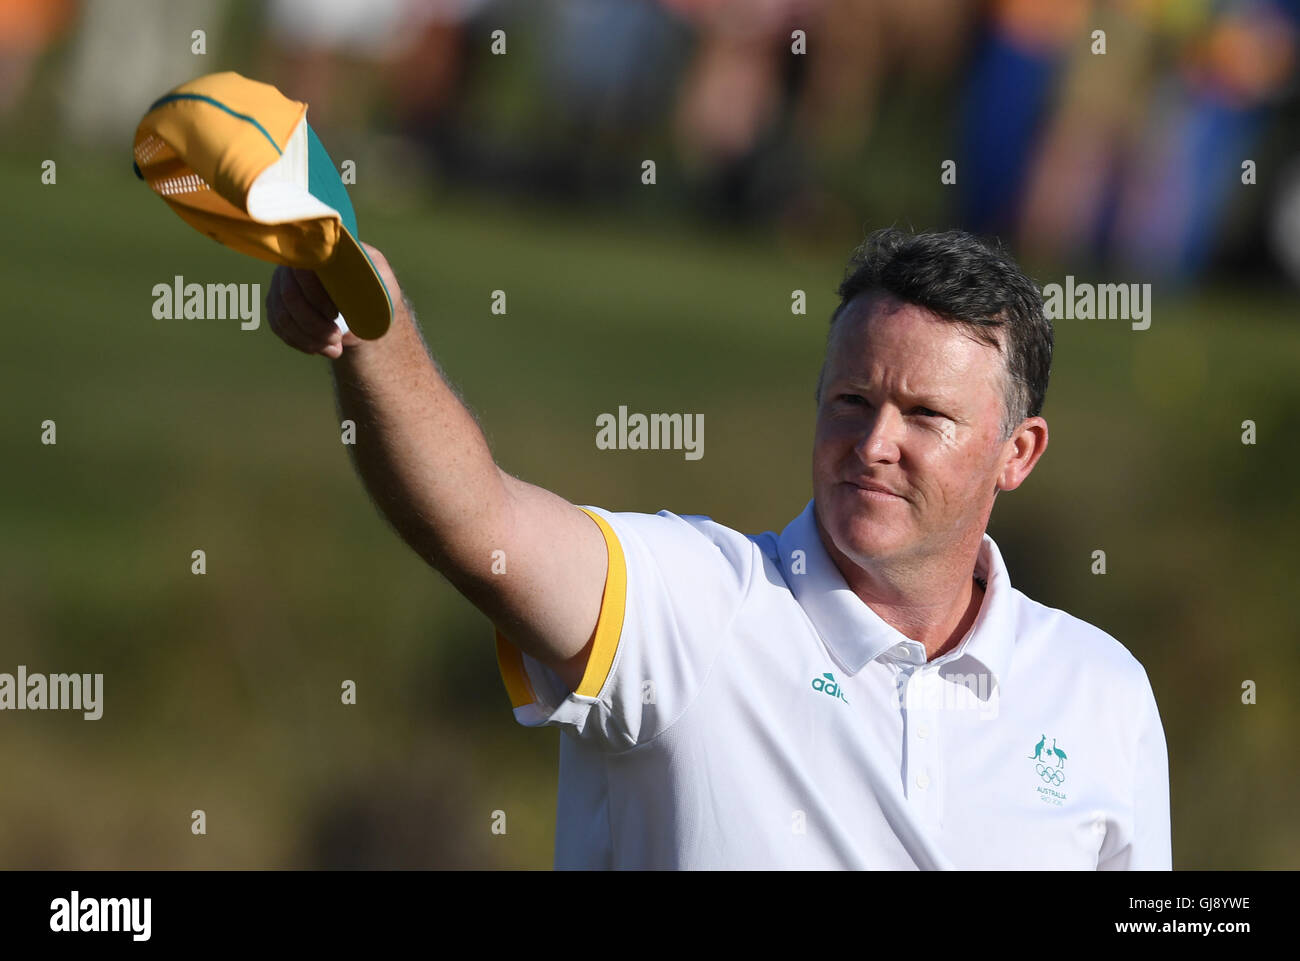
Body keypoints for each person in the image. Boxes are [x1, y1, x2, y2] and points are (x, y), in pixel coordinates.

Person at [265, 226, 1171, 869]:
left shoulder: (1102, 691)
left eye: (925, 415)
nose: (874, 442)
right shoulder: (701, 606)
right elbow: (476, 524)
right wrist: (368, 330)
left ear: (1018, 452)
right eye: (851, 401)